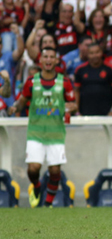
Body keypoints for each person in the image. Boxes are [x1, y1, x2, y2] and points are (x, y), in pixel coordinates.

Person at [7, 47, 76, 208]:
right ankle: (37, 187)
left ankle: (47, 204)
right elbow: (22, 101)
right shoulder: (32, 81)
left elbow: (73, 103)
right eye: (46, 57)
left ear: (56, 60)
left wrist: (70, 108)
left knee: (54, 170)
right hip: (36, 131)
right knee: (33, 168)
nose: (49, 60)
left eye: (52, 57)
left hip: (56, 132)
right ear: (41, 60)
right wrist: (15, 107)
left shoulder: (64, 82)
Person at [74, 43, 112, 116]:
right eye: (91, 53)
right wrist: (77, 112)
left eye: (97, 52)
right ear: (87, 55)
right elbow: (76, 91)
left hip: (107, 114)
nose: (95, 55)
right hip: (85, 114)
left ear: (101, 52)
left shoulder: (111, 69)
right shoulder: (80, 70)